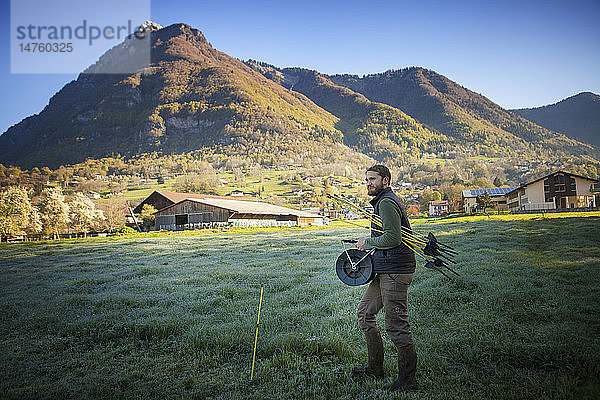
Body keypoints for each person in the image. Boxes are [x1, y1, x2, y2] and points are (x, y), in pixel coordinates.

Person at [353, 164, 418, 392]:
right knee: (365, 313)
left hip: (396, 272)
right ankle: (375, 368)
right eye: (367, 179)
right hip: (384, 270)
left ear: (386, 180)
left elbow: (393, 237)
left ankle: (408, 382)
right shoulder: (382, 201)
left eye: (373, 179)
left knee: (396, 325)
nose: (368, 183)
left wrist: (368, 242)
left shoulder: (387, 202)